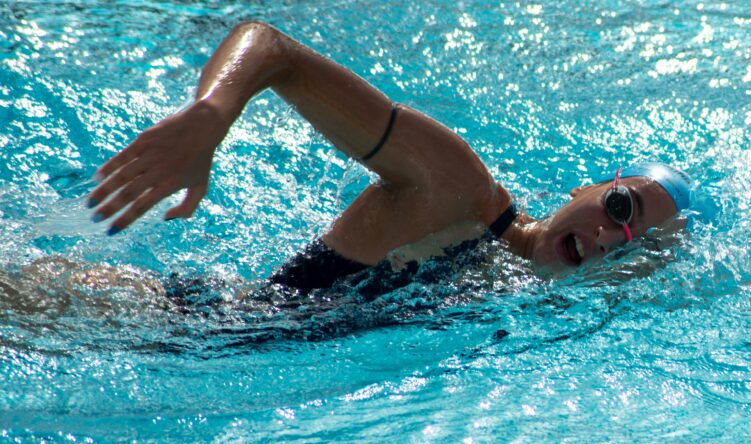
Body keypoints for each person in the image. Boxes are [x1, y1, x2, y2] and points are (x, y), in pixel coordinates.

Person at [86, 22, 695, 297]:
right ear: (590, 188)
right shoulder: (457, 189)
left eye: (634, 245)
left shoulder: (518, 301)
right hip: (161, 323)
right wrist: (212, 114)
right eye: (621, 206)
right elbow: (272, 49)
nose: (612, 237)